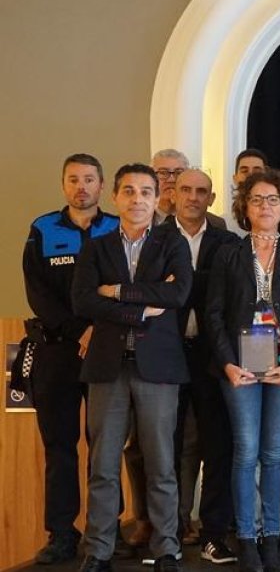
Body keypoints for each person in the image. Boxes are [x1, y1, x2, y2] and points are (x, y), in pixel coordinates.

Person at [72, 163, 194, 572]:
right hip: (108, 366)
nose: (137, 199)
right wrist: (141, 312)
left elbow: (177, 293)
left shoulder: (171, 242)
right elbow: (85, 301)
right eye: (129, 191)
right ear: (115, 198)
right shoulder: (97, 247)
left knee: (161, 464)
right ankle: (98, 550)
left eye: (146, 192)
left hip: (157, 367)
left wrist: (120, 293)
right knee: (103, 465)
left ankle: (166, 549)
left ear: (158, 197)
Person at [206, 168, 280, 572]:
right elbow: (213, 315)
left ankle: (271, 538)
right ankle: (247, 539)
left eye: (273, 200)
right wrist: (227, 364)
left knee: (274, 454)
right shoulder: (228, 254)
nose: (266, 206)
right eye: (257, 200)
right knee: (246, 452)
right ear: (245, 207)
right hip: (239, 369)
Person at [22, 154, 119, 565]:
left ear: (101, 186)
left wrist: (98, 329)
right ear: (63, 185)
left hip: (106, 349)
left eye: (90, 179)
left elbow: (126, 284)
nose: (82, 187)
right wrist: (77, 330)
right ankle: (61, 533)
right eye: (73, 179)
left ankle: (107, 531)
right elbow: (38, 293)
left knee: (105, 447)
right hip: (58, 351)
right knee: (60, 447)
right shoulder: (43, 229)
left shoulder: (117, 228)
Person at [163, 169, 241, 566]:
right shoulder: (156, 239)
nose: (193, 197)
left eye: (201, 192)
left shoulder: (227, 242)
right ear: (172, 194)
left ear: (211, 200)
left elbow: (221, 296)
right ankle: (169, 533)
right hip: (165, 354)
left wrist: (183, 282)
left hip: (213, 356)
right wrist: (195, 284)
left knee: (218, 445)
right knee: (167, 446)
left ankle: (214, 533)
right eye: (186, 190)